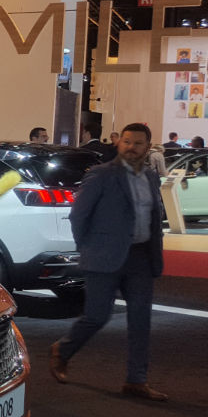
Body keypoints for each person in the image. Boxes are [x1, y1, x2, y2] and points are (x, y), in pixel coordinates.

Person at [48, 124, 168, 401]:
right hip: (103, 256)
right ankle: (62, 350)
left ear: (147, 147)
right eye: (126, 141)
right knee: (97, 316)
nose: (131, 147)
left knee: (141, 321)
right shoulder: (100, 174)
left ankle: (136, 381)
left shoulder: (151, 177)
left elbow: (154, 217)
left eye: (138, 143)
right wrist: (87, 249)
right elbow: (79, 216)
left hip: (141, 257)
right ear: (118, 143)